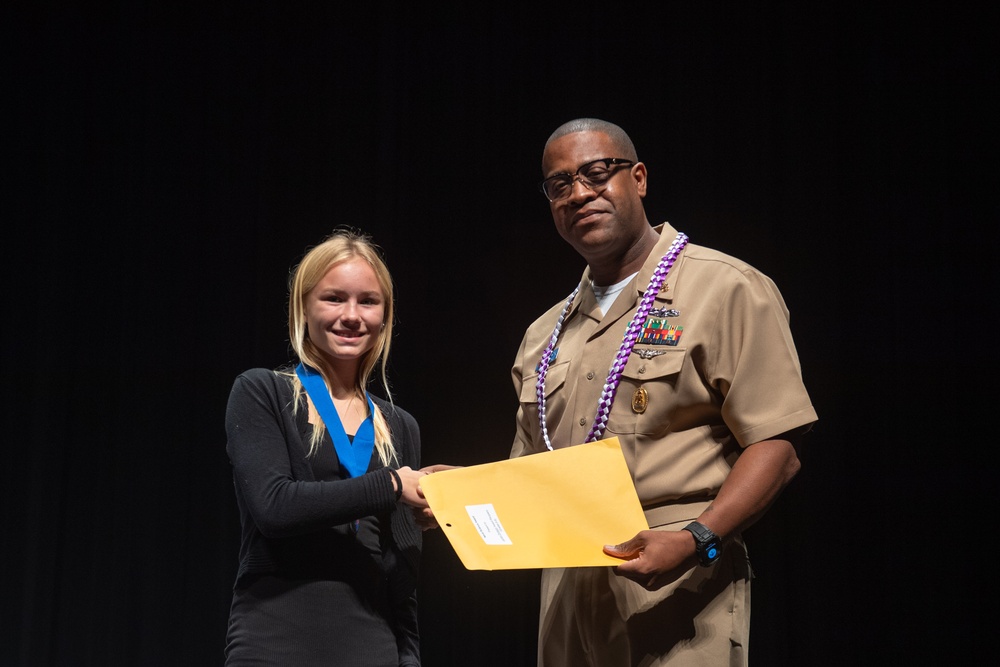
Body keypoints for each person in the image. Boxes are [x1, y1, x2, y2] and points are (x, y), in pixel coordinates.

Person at [509, 118, 818, 666]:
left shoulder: (725, 288)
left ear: (640, 178)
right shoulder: (544, 332)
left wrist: (698, 538)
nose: (580, 193)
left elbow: (780, 444)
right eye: (560, 185)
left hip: (677, 595)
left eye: (598, 173)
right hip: (566, 600)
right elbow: (533, 473)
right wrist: (457, 495)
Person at [224, 228, 446, 666]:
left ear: (385, 314)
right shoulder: (261, 392)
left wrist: (410, 658)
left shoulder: (400, 427)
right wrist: (392, 484)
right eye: (333, 298)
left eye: (368, 301)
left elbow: (402, 572)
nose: (352, 315)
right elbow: (274, 508)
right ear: (303, 306)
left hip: (372, 649)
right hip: (273, 646)